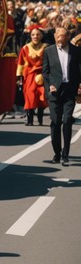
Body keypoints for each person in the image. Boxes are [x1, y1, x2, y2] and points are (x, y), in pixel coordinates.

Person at [42, 25, 81, 166]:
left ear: (68, 37)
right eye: (58, 36)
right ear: (54, 37)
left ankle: (66, 154)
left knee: (67, 120)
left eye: (63, 36)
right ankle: (57, 153)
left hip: (69, 90)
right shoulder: (48, 51)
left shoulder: (76, 51)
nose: (60, 39)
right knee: (56, 122)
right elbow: (45, 72)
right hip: (54, 91)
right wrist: (50, 84)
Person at [17, 25, 48, 126]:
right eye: (33, 34)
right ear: (30, 36)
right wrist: (19, 76)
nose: (35, 36)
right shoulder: (25, 48)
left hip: (42, 75)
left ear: (41, 36)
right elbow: (20, 63)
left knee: (41, 97)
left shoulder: (46, 48)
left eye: (38, 34)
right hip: (29, 76)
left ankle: (40, 118)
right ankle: (30, 120)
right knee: (30, 96)